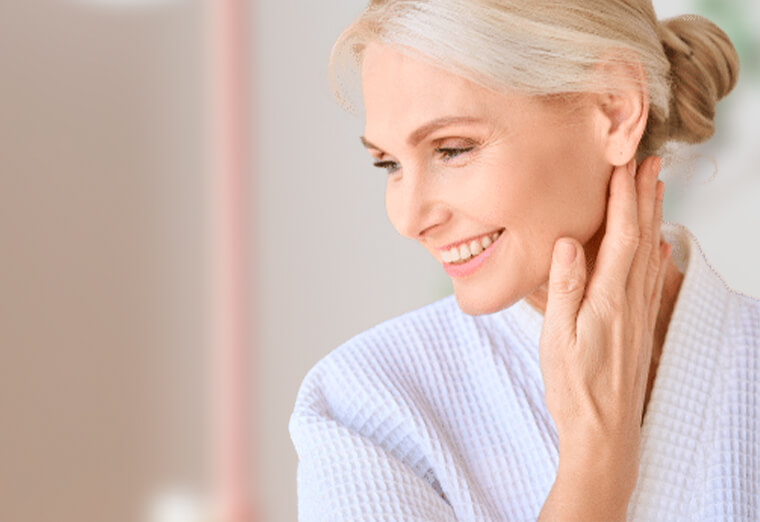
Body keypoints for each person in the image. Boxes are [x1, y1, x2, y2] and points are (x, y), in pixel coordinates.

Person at [289, 1, 759, 520]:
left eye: (452, 149)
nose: (408, 218)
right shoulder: (362, 409)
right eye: (390, 164)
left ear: (615, 109)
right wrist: (594, 464)